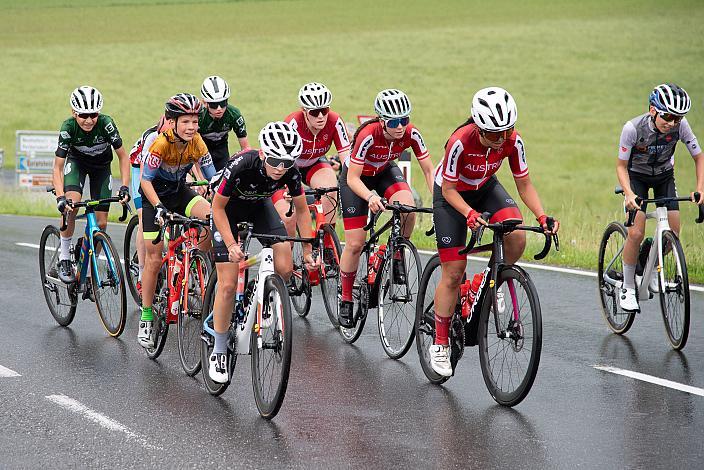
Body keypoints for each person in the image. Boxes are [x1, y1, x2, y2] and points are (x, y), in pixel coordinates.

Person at [430, 87, 559, 377]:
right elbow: (448, 189)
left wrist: (541, 216)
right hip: (452, 196)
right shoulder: (460, 142)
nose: (501, 139)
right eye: (493, 133)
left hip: (485, 186)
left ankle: (491, 280)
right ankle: (439, 342)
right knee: (453, 271)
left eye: (506, 130)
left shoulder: (513, 140)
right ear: (477, 126)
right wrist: (469, 214)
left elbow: (524, 183)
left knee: (516, 235)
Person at [208, 121, 318, 383]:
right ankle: (219, 349)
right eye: (275, 160)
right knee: (227, 284)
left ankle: (264, 294)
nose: (281, 168)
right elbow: (217, 209)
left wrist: (306, 251)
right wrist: (231, 244)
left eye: (287, 162)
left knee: (284, 266)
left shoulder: (290, 173)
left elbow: (302, 211)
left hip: (258, 206)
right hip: (227, 210)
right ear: (262, 154)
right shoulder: (242, 164)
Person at [337, 88, 435, 328]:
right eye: (394, 122)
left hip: (383, 171)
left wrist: (440, 202)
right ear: (382, 121)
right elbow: (352, 179)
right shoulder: (368, 135)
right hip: (356, 179)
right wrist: (370, 196)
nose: (400, 126)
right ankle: (346, 298)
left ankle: (398, 251)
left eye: (405, 119)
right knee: (355, 243)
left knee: (408, 208)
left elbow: (430, 171)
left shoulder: (412, 133)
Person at [137, 93, 216, 348]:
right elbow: (145, 181)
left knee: (212, 218)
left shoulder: (197, 143)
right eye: (185, 122)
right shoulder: (160, 144)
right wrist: (158, 207)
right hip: (154, 197)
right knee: (154, 258)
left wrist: (221, 195)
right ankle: (147, 317)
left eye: (194, 121)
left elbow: (212, 177)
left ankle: (194, 262)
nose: (191, 127)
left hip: (179, 192)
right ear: (172, 122)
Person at [616, 83, 703, 312]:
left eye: (678, 118)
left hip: (664, 176)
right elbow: (621, 166)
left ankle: (651, 265)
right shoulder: (632, 128)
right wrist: (629, 194)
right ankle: (627, 287)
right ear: (653, 110)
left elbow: (699, 157)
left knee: (672, 231)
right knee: (636, 232)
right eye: (668, 116)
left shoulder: (681, 127)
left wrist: (700, 188)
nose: (673, 123)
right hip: (637, 177)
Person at [52, 86, 131, 283]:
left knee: (101, 223)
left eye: (93, 114)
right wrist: (60, 197)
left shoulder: (106, 124)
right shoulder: (68, 127)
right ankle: (63, 256)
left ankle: (89, 260)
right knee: (71, 205)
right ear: (74, 113)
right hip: (76, 164)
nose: (88, 120)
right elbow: (57, 168)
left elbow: (123, 157)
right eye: (83, 115)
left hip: (101, 168)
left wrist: (125, 187)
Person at [272, 82, 351, 232]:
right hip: (287, 166)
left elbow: (346, 159)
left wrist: (353, 182)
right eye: (315, 112)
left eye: (324, 110)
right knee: (289, 216)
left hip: (314, 163)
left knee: (330, 190)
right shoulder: (293, 123)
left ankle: (327, 243)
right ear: (304, 111)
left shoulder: (335, 121)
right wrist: (288, 185)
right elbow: (282, 160)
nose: (321, 116)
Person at [127, 115, 172, 299]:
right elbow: (146, 175)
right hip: (141, 167)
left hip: (164, 168)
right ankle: (142, 273)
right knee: (144, 216)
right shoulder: (152, 137)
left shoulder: (187, 138)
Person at [199, 75, 250, 171]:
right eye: (214, 104)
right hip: (201, 150)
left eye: (223, 103)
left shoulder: (234, 114)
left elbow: (245, 148)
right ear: (205, 103)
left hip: (221, 149)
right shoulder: (198, 116)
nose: (219, 109)